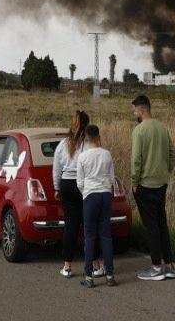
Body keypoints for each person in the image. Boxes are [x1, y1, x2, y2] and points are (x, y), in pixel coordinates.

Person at [130, 93, 175, 280]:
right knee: (161, 224)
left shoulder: (139, 131)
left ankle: (156, 267)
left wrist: (134, 182)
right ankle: (169, 265)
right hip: (161, 184)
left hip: (144, 185)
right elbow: (174, 155)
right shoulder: (162, 127)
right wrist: (164, 171)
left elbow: (136, 160)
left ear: (141, 110)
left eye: (134, 110)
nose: (134, 113)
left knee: (151, 227)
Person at [73, 123, 117, 288]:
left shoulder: (83, 157)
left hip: (90, 196)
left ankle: (89, 276)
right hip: (105, 195)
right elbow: (112, 179)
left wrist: (87, 191)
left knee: (89, 236)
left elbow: (79, 182)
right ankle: (110, 274)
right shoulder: (107, 154)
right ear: (99, 137)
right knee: (106, 235)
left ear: (86, 138)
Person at [51, 109, 89, 278]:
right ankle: (94, 264)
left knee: (70, 226)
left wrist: (56, 188)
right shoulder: (88, 145)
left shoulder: (62, 144)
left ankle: (67, 266)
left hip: (66, 185)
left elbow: (56, 169)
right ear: (86, 126)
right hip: (84, 186)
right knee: (88, 225)